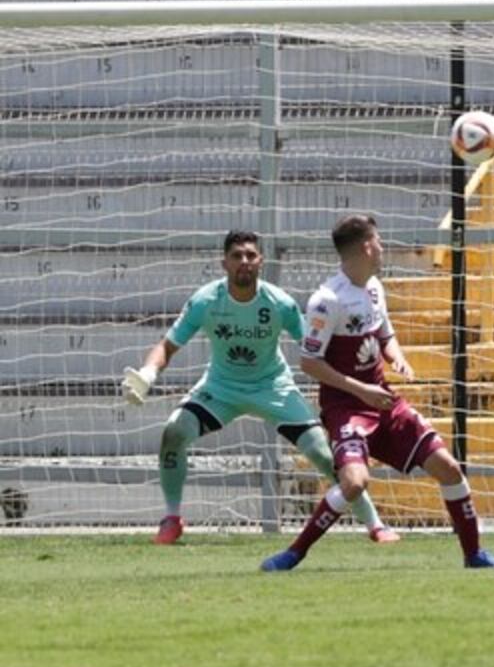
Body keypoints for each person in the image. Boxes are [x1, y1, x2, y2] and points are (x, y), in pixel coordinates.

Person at [260, 214, 494, 571]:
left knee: (450, 468)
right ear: (366, 246)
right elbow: (309, 362)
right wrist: (360, 389)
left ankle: (474, 555)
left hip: (382, 400)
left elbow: (384, 333)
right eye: (378, 242)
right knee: (354, 482)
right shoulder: (326, 301)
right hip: (347, 407)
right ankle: (293, 553)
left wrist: (397, 357)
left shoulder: (374, 287)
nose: (382, 248)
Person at [120, 230, 399, 546]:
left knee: (322, 454)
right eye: (237, 256)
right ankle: (171, 519)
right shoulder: (205, 300)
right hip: (221, 387)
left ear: (261, 262)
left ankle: (375, 525)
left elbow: (315, 349)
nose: (244, 262)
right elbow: (167, 346)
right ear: (223, 262)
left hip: (273, 387)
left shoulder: (279, 303)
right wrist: (147, 374)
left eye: (251, 256)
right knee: (173, 433)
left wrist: (356, 388)